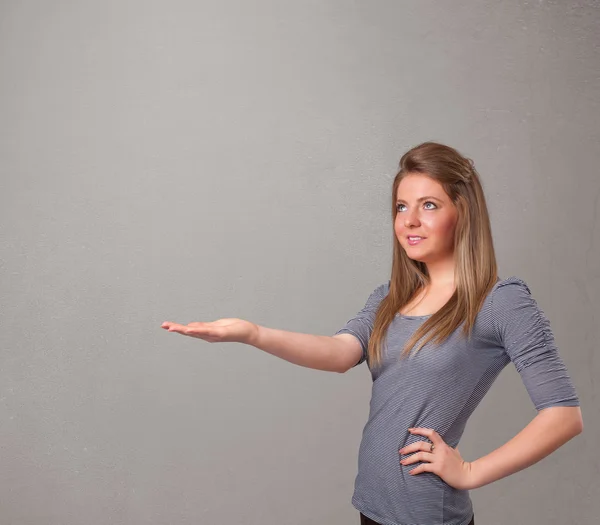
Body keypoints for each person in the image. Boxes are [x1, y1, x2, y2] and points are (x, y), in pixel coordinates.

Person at [161, 141, 583, 525]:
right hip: (373, 508)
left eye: (429, 205)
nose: (410, 221)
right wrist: (252, 333)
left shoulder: (499, 301)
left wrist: (470, 472)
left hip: (426, 517)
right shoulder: (390, 298)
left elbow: (563, 416)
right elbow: (338, 352)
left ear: (463, 211)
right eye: (401, 207)